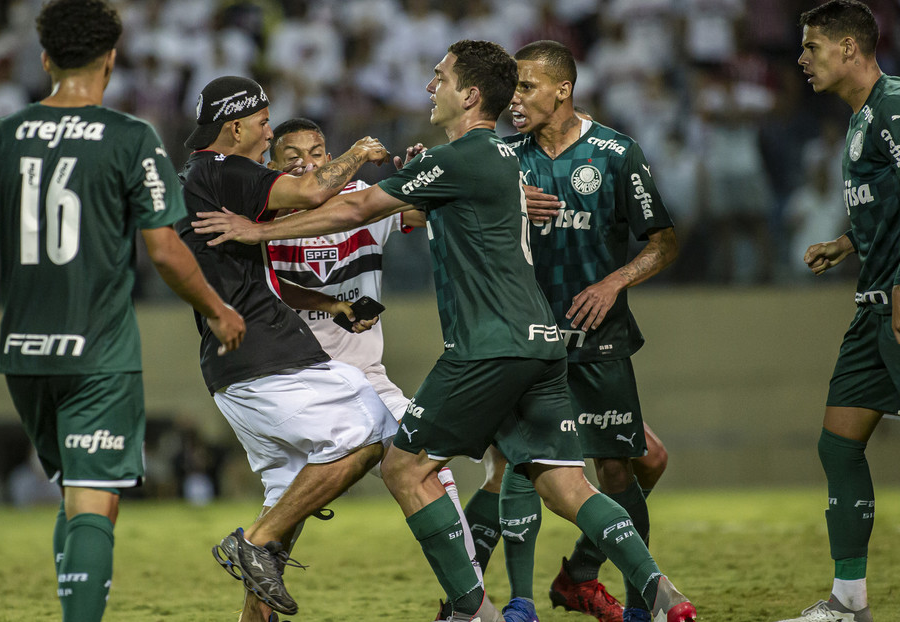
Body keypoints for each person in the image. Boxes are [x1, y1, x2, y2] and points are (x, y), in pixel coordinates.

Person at [193, 39, 697, 622]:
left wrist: (255, 233)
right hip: (541, 342)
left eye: (441, 77)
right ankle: (663, 595)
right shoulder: (507, 157)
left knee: (404, 466)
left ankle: (468, 610)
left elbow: (358, 210)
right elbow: (438, 201)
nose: (432, 86)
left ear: (470, 94)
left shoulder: (463, 155)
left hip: (486, 349)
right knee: (566, 484)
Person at [0, 2, 245, 621]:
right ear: (111, 58)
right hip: (98, 354)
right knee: (95, 500)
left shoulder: (1, 134)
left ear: (46, 58)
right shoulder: (131, 138)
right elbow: (164, 250)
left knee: (74, 494)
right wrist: (216, 308)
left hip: (24, 355)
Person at [174, 75, 398, 619]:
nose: (268, 130)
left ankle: (259, 570)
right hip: (265, 356)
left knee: (285, 512)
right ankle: (250, 543)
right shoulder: (225, 170)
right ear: (236, 127)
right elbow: (318, 193)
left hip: (239, 367)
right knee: (366, 436)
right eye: (263, 122)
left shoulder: (207, 178)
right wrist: (359, 152)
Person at [480, 40, 680, 622]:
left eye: (525, 86)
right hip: (526, 340)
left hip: (598, 337)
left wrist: (613, 282)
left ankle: (589, 580)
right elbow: (451, 211)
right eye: (511, 88)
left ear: (562, 89)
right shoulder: (503, 155)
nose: (513, 99)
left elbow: (663, 242)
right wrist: (510, 204)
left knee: (627, 467)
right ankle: (488, 600)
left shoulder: (616, 153)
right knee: (519, 469)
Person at [774, 2, 900, 621]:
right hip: (872, 307)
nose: (802, 58)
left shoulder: (895, 105)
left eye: (813, 46)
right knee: (839, 444)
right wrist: (848, 242)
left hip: (898, 301)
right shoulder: (859, 120)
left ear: (850, 48)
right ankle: (849, 603)